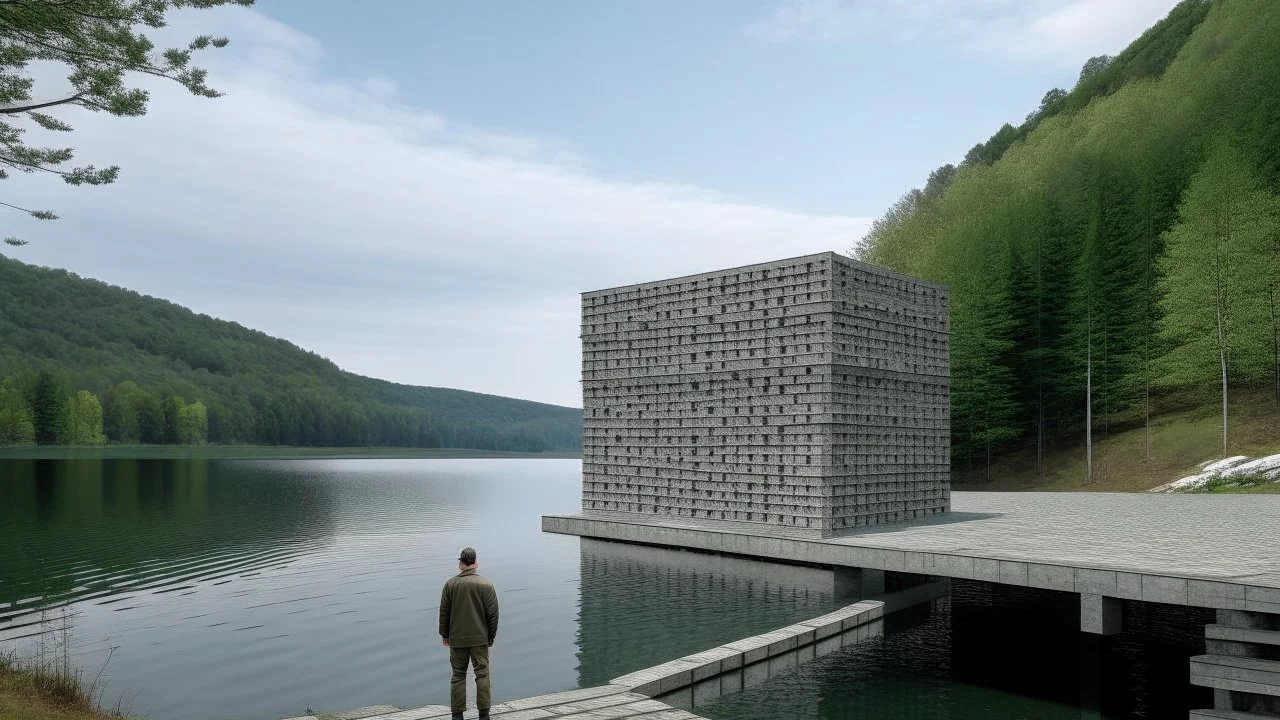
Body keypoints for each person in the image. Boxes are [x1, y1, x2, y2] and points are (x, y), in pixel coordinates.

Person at [439, 546, 499, 720]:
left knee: (458, 675)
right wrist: (490, 637)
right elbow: (493, 615)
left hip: (457, 639)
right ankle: (484, 714)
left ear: (460, 564)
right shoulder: (486, 585)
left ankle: (457, 715)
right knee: (482, 674)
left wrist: (445, 635)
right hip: (479, 638)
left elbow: (444, 612)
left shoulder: (450, 584)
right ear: (475, 563)